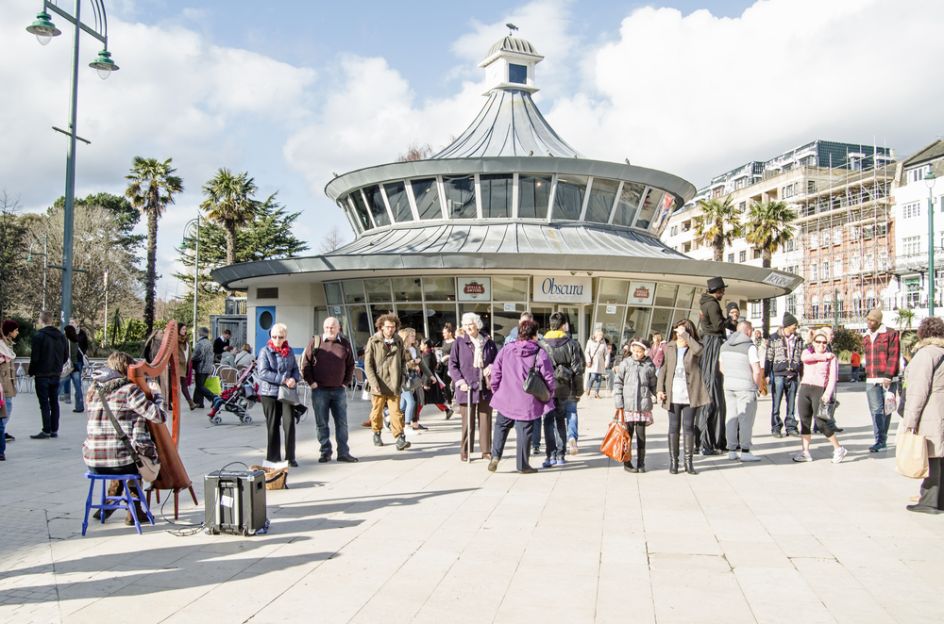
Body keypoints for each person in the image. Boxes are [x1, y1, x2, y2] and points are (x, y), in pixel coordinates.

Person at [82, 351, 167, 524]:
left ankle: (113, 504)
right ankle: (134, 512)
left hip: (92, 462)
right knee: (133, 461)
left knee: (123, 453)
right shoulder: (129, 390)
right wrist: (157, 395)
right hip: (120, 462)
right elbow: (159, 416)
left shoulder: (93, 389)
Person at [487, 319, 555, 473]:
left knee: (501, 426)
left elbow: (496, 371)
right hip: (527, 400)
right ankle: (522, 465)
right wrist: (550, 393)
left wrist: (496, 389)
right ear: (535, 334)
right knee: (524, 432)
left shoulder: (506, 349)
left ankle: (495, 456)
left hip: (506, 396)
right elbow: (549, 377)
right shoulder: (540, 352)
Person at [902, 317, 944, 514]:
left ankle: (929, 501)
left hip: (931, 411)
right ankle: (939, 499)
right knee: (940, 457)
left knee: (932, 456)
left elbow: (918, 390)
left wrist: (910, 420)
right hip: (940, 410)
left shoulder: (926, 354)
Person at [657, 319, 710, 475]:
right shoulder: (669, 347)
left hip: (690, 393)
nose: (678, 334)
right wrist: (660, 389)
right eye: (677, 331)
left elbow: (699, 351)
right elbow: (663, 369)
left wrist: (687, 336)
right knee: (673, 428)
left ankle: (689, 462)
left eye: (682, 331)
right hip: (673, 393)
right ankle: (674, 462)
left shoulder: (694, 346)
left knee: (688, 427)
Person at [302, 317, 358, 463]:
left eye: (332, 327)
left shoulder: (344, 343)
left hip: (338, 391)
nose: (329, 330)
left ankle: (343, 452)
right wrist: (312, 383)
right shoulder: (316, 342)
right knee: (322, 423)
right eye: (327, 327)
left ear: (339, 328)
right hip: (319, 390)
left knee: (342, 423)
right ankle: (325, 451)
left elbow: (351, 364)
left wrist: (345, 382)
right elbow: (306, 364)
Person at [792, 329, 847, 463]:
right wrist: (823, 357)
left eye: (824, 342)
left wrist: (827, 394)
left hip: (819, 390)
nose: (821, 345)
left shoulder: (832, 357)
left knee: (821, 422)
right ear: (813, 342)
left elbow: (833, 377)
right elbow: (805, 359)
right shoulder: (808, 352)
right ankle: (805, 451)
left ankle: (838, 448)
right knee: (804, 422)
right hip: (805, 388)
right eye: (818, 342)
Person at [449, 312, 497, 461]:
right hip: (467, 387)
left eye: (471, 324)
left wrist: (492, 366)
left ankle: (486, 450)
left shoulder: (488, 342)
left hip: (485, 387)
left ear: (477, 325)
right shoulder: (459, 342)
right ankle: (465, 450)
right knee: (467, 421)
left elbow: (497, 360)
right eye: (465, 324)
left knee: (485, 420)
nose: (468, 327)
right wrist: (460, 382)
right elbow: (452, 365)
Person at [364, 314, 411, 451]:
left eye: (393, 327)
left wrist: (402, 376)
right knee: (377, 411)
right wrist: (373, 382)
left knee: (396, 411)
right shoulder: (373, 341)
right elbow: (368, 364)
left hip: (395, 382)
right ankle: (376, 432)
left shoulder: (399, 341)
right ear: (381, 327)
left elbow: (403, 361)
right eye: (388, 327)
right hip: (378, 383)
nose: (390, 329)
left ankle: (400, 437)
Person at [257, 323, 301, 466]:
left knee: (289, 424)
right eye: (274, 336)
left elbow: (295, 369)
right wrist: (284, 380)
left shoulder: (289, 351)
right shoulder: (265, 351)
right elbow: (262, 372)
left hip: (286, 393)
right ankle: (273, 457)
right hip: (269, 393)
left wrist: (294, 379)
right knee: (273, 425)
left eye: (280, 337)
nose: (277, 340)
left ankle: (290, 457)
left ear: (285, 337)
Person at [719, 319, 763, 462]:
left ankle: (731, 450)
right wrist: (756, 386)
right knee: (746, 420)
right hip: (746, 387)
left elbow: (721, 368)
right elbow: (756, 370)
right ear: (748, 331)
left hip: (729, 385)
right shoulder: (750, 347)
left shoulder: (724, 346)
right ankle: (745, 450)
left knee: (731, 417)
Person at [543, 312, 585, 459]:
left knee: (550, 420)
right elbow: (578, 369)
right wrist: (580, 390)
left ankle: (552, 453)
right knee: (571, 412)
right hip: (569, 385)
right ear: (564, 325)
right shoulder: (572, 344)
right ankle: (572, 437)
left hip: (549, 387)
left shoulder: (543, 344)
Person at [613, 340, 657, 473]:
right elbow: (618, 383)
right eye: (635, 351)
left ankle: (641, 463)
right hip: (628, 406)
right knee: (628, 436)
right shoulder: (625, 363)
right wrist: (618, 402)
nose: (637, 354)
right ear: (632, 350)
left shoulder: (649, 365)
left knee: (641, 436)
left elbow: (653, 384)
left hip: (642, 406)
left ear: (645, 351)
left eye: (640, 351)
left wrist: (658, 393)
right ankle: (627, 462)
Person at [696, 277, 728, 455]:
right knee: (713, 391)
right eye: (722, 291)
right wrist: (730, 322)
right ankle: (710, 440)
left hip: (709, 344)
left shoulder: (704, 303)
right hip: (714, 344)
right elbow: (718, 325)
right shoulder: (713, 304)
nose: (723, 294)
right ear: (718, 291)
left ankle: (705, 440)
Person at [862, 308, 900, 453]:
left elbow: (894, 355)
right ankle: (880, 440)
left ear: (878, 321)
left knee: (887, 409)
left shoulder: (890, 333)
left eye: (872, 321)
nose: (869, 323)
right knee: (875, 410)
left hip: (887, 377)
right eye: (868, 320)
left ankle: (881, 440)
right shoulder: (866, 336)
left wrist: (888, 376)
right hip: (871, 378)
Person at [28, 310, 68, 439]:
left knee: (44, 403)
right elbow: (65, 356)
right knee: (54, 402)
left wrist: (31, 371)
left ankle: (46, 429)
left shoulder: (39, 336)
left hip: (42, 374)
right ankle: (54, 429)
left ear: (41, 320)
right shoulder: (61, 336)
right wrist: (58, 367)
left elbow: (35, 357)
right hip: (55, 374)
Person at [766, 312, 804, 438]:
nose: (796, 328)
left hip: (793, 374)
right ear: (787, 325)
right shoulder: (774, 338)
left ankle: (791, 427)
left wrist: (799, 372)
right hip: (779, 374)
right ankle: (776, 427)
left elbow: (800, 357)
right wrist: (766, 374)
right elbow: (769, 357)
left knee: (792, 403)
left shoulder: (798, 339)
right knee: (776, 403)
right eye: (794, 325)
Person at [399, 327, 425, 431]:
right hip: (404, 378)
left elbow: (422, 364)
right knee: (411, 402)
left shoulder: (415, 348)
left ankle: (387, 415)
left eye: (414, 335)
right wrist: (414, 362)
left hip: (414, 378)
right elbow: (401, 365)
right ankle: (407, 425)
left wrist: (430, 375)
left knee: (403, 405)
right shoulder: (402, 350)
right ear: (406, 337)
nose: (414, 337)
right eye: (412, 335)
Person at [419, 339, 450, 418]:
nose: (420, 346)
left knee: (421, 399)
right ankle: (447, 410)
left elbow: (427, 369)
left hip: (428, 381)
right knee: (433, 398)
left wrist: (426, 383)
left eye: (421, 344)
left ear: (425, 345)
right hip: (432, 380)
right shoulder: (430, 353)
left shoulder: (427, 355)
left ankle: (414, 418)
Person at [1, 319, 19, 449]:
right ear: (9, 331)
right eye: (16, 330)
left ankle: (2, 431)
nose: (17, 333)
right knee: (6, 410)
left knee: (7, 409)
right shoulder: (2, 345)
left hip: (8, 383)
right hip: (3, 384)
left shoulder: (8, 345)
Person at [191, 327, 218, 410]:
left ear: (200, 333)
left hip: (201, 367)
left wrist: (191, 360)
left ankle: (214, 398)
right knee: (200, 385)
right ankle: (198, 403)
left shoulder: (200, 343)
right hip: (208, 367)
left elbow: (197, 355)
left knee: (199, 386)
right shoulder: (209, 343)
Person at [61, 325, 86, 413]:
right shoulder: (76, 341)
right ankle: (80, 406)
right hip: (76, 366)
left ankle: (50, 403)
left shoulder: (66, 341)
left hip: (69, 367)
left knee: (59, 383)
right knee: (78, 387)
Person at [176, 324, 196, 411]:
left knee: (182, 385)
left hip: (185, 365)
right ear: (178, 330)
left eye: (185, 329)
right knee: (182, 385)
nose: (185, 330)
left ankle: (191, 403)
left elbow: (188, 352)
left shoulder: (186, 340)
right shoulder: (175, 340)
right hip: (178, 366)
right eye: (183, 329)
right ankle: (191, 403)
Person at [584, 328, 608, 399]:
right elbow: (586, 352)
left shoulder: (603, 342)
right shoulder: (590, 342)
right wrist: (588, 360)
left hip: (600, 363)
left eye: (601, 335)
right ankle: (588, 389)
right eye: (599, 335)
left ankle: (596, 393)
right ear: (596, 335)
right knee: (594, 376)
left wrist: (606, 362)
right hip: (593, 362)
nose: (601, 336)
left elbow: (606, 353)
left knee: (599, 378)